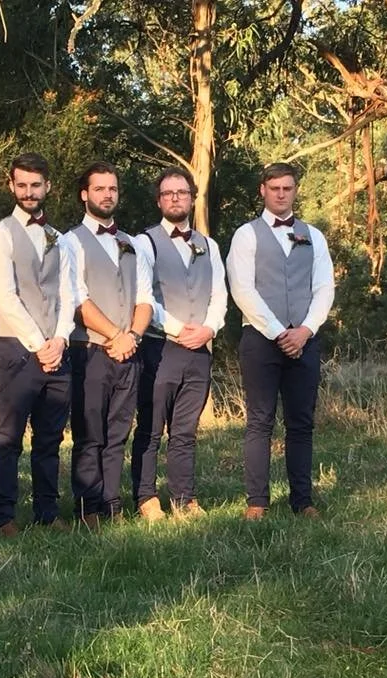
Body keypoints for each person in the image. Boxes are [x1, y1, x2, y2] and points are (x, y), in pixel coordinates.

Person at [226, 162, 334, 519]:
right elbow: (242, 289)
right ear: (263, 190)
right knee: (260, 421)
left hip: (305, 339)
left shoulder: (314, 236)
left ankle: (302, 501)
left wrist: (305, 330)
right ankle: (257, 501)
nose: (281, 194)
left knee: (301, 423)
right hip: (260, 339)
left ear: (295, 190)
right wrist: (277, 331)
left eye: (287, 188)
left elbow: (324, 288)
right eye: (275, 188)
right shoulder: (246, 235)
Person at [0, 152, 75, 537]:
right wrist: (39, 343)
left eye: (36, 185)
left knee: (50, 437)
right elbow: (4, 296)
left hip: (57, 348)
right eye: (22, 185)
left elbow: (68, 294)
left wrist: (60, 339)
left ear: (47, 186)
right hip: (17, 347)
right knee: (9, 437)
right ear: (11, 186)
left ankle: (47, 511)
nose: (29, 192)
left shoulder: (60, 239)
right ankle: (3, 515)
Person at [130, 167, 227, 521]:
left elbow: (220, 295)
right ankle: (145, 496)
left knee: (185, 430)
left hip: (199, 349)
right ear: (159, 200)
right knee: (151, 427)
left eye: (182, 192)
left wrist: (209, 329)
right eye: (168, 193)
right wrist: (175, 328)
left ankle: (184, 498)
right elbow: (143, 296)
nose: (175, 198)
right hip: (160, 347)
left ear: (192, 198)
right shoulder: (144, 242)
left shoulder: (209, 245)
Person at [64, 161, 153, 529]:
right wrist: (115, 336)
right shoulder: (71, 241)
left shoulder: (132, 243)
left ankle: (112, 503)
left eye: (112, 188)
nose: (107, 194)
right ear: (84, 194)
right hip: (90, 351)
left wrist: (132, 337)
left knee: (118, 432)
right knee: (90, 433)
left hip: (129, 351)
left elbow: (145, 298)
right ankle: (88, 508)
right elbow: (77, 299)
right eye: (99, 188)